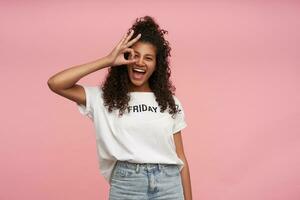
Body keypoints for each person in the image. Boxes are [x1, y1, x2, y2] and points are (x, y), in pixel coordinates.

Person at [47, 15, 192, 200]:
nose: (140, 62)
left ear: (157, 65)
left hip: (169, 185)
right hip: (127, 185)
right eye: (134, 55)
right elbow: (56, 83)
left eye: (148, 58)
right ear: (124, 58)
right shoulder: (103, 98)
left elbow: (181, 157)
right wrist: (107, 60)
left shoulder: (170, 102)